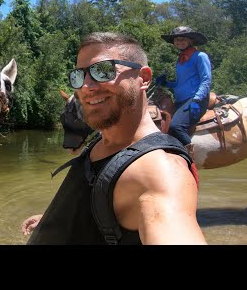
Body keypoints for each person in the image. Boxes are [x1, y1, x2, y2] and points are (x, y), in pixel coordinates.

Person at [21, 32, 207, 245]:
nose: (86, 87)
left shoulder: (159, 172)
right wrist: (56, 220)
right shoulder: (104, 140)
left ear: (144, 78)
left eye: (103, 71)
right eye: (79, 76)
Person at [155, 26, 212, 161]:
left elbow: (206, 80)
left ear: (190, 40)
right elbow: (180, 84)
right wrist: (166, 83)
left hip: (195, 99)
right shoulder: (180, 60)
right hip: (181, 99)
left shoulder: (200, 56)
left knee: (175, 126)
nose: (179, 42)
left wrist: (197, 99)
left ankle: (189, 158)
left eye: (183, 39)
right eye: (176, 40)